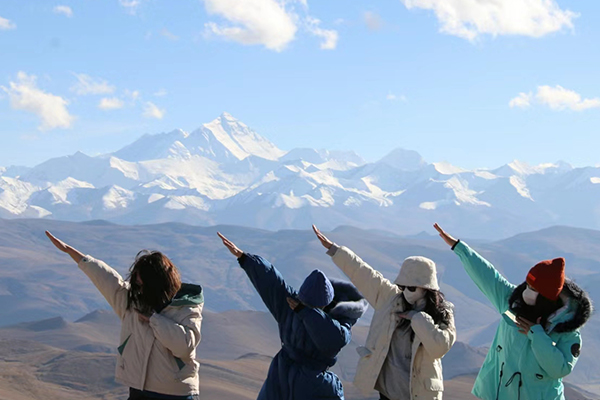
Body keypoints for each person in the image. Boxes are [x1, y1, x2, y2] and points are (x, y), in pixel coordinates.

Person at [433, 223, 592, 400]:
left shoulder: (567, 327)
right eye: (528, 285)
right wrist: (459, 248)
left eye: (533, 288)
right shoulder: (511, 302)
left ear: (547, 297)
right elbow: (487, 275)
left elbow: (559, 369)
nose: (526, 291)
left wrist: (537, 334)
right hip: (499, 394)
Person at [45, 231, 203, 400]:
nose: (139, 289)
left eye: (143, 285)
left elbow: (184, 347)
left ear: (156, 283)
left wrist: (154, 320)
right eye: (137, 284)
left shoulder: (186, 307)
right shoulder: (132, 302)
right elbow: (107, 279)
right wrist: (75, 254)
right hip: (139, 389)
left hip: (176, 393)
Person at [217, 232, 368, 400]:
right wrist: (246, 259)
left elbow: (333, 337)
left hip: (281, 378)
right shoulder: (293, 306)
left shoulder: (304, 312)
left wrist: (305, 312)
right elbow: (272, 282)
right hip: (303, 382)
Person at [313, 225, 456, 400]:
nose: (405, 292)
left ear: (427, 288)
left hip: (419, 395)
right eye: (402, 286)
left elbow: (440, 347)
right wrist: (334, 250)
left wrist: (418, 319)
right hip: (388, 394)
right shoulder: (391, 299)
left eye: (411, 288)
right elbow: (364, 274)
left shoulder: (443, 313)